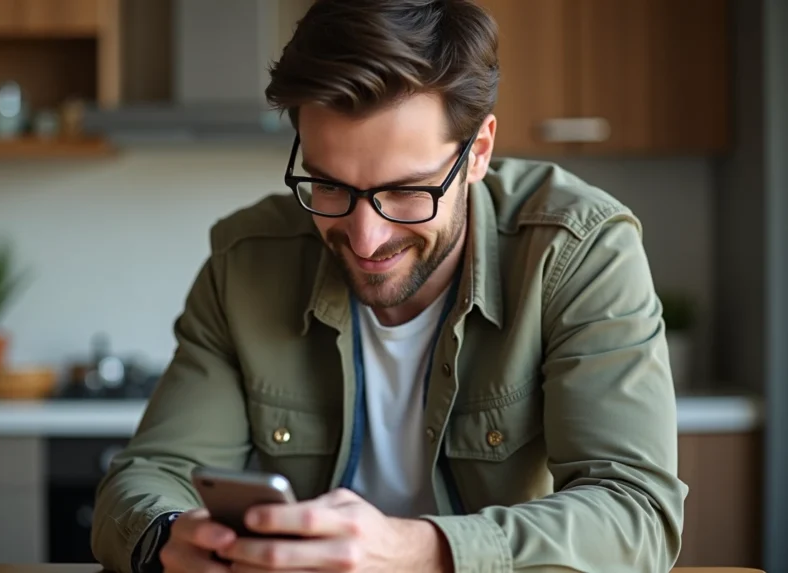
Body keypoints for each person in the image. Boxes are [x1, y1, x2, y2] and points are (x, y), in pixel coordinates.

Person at [91, 0, 688, 571]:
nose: (365, 238)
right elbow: (149, 476)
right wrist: (170, 536)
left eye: (405, 191)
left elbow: (637, 514)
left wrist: (418, 552)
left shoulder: (578, 251)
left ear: (478, 153)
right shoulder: (246, 262)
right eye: (330, 186)